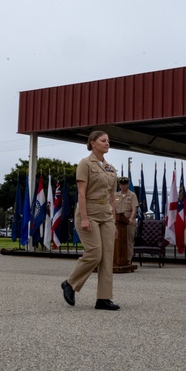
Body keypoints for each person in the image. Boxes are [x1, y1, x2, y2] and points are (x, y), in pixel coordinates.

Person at [61, 130, 120, 310]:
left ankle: (103, 298)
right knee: (95, 253)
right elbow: (81, 193)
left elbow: (112, 196)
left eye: (108, 141)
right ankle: (70, 283)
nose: (107, 143)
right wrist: (84, 218)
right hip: (89, 213)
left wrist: (114, 221)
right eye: (103, 140)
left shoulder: (110, 168)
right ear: (93, 143)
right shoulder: (85, 164)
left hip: (106, 214)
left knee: (107, 257)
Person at [113, 176, 138, 264]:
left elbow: (134, 208)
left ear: (128, 185)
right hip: (118, 222)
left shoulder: (132, 195)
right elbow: (113, 208)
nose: (123, 186)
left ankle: (128, 259)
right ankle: (117, 258)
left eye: (125, 184)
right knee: (116, 240)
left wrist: (131, 218)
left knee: (128, 241)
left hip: (128, 222)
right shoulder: (116, 195)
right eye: (121, 184)